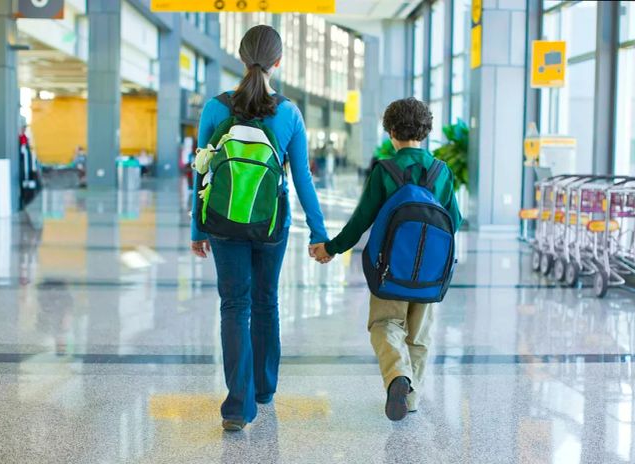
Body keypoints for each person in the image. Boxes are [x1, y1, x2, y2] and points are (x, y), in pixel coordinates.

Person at [190, 25, 328, 432]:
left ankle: (238, 405)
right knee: (266, 301)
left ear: (239, 56)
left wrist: (197, 228)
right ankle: (264, 388)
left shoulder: (215, 108)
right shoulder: (288, 112)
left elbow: (200, 173)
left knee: (234, 305)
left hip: (222, 222)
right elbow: (302, 178)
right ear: (278, 62)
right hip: (271, 225)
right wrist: (319, 233)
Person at [311, 98, 462, 421]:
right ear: (426, 130)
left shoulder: (385, 171)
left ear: (391, 131)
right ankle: (411, 400)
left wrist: (331, 248)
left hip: (390, 271)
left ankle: (397, 377)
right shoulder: (442, 173)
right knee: (419, 335)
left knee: (384, 324)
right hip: (431, 274)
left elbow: (361, 220)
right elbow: (456, 221)